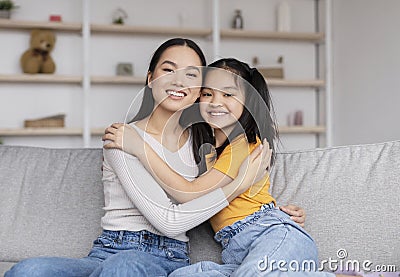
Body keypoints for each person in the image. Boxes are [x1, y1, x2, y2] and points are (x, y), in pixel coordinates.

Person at [5, 39, 271, 277]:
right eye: (168, 70)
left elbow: (225, 183)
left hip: (166, 258)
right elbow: (169, 220)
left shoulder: (206, 143)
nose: (179, 82)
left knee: (125, 267)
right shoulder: (122, 138)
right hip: (108, 251)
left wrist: (272, 211)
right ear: (150, 78)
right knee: (28, 270)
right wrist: (242, 182)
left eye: (191, 75)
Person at [104, 59, 353, 277]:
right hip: (236, 251)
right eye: (207, 94)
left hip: (271, 234)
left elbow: (188, 192)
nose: (215, 102)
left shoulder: (242, 144)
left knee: (254, 273)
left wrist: (139, 146)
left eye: (228, 94)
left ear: (249, 102)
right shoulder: (207, 151)